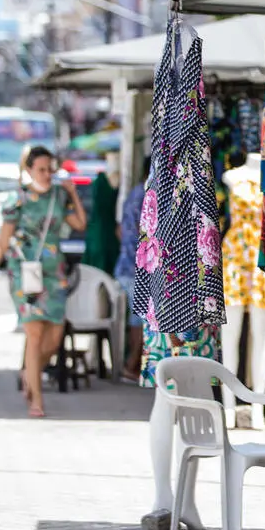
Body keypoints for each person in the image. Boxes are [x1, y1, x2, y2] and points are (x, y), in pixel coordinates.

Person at [0, 146, 87, 418]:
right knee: (35, 333)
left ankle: (30, 373)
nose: (47, 174)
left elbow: (80, 224)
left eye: (50, 169)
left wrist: (73, 193)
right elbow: (2, 243)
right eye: (41, 169)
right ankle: (36, 400)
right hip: (24, 272)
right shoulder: (18, 200)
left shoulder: (59, 196)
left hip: (54, 273)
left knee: (54, 338)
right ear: (29, 170)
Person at [114, 159, 150, 382]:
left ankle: (132, 365)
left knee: (138, 319)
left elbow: (120, 230)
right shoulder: (147, 194)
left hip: (128, 264)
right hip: (135, 267)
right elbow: (142, 229)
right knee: (140, 320)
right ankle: (132, 366)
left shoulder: (135, 193)